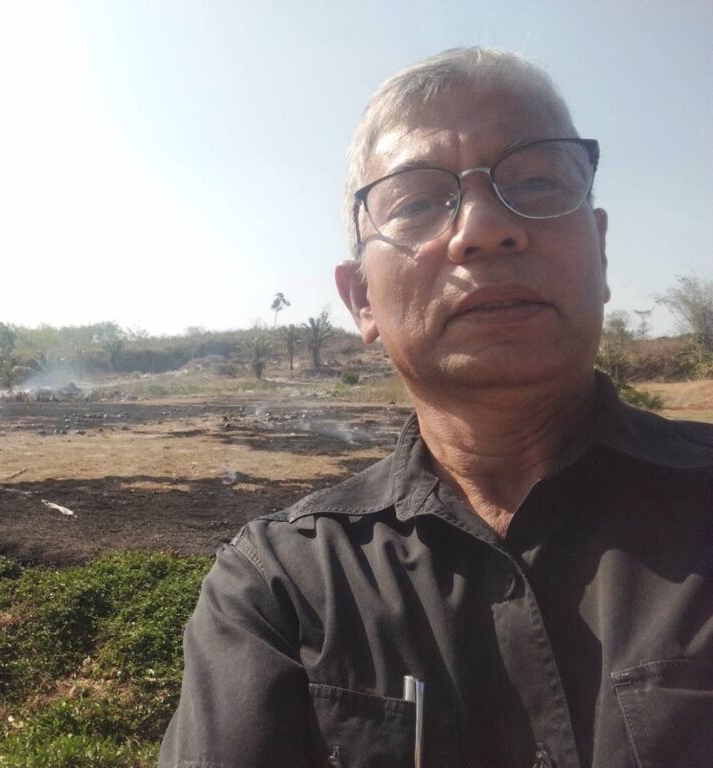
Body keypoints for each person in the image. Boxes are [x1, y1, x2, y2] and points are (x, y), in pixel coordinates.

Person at [160, 47, 713, 768]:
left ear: (601, 253)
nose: (482, 228)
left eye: (536, 181)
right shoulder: (279, 590)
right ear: (361, 298)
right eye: (419, 202)